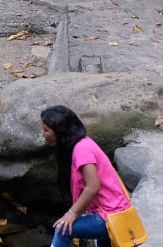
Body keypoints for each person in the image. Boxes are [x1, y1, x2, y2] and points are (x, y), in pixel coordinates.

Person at [41, 105, 135, 247]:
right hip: (107, 209)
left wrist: (72, 213)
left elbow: (93, 187)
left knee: (62, 229)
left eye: (46, 130)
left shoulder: (82, 150)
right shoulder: (78, 144)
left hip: (109, 214)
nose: (43, 133)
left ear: (60, 131)